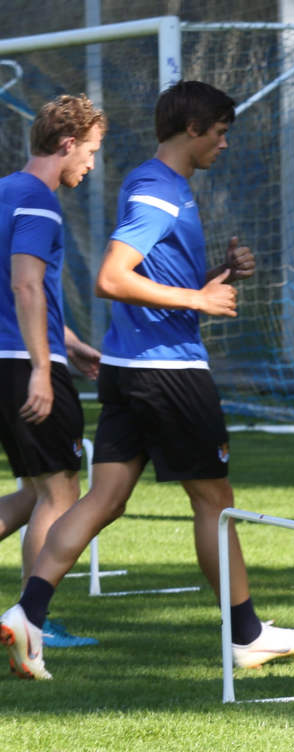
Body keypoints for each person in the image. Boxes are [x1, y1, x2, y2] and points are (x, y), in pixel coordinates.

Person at [1, 81, 294, 681]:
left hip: (128, 368)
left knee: (104, 498)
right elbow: (114, 277)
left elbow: (155, 279)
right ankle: (247, 635)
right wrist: (198, 295)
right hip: (166, 371)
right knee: (214, 501)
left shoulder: (162, 188)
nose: (225, 143)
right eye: (220, 132)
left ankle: (28, 613)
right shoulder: (156, 189)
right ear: (192, 130)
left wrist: (219, 275)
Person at [0, 95, 105, 668]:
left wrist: (69, 344)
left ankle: (28, 617)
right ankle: (32, 619)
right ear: (67, 144)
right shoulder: (40, 202)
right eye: (89, 152)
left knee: (33, 491)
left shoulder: (1, 192)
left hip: (8, 358)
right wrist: (43, 367)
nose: (90, 164)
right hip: (23, 363)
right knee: (62, 492)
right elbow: (23, 288)